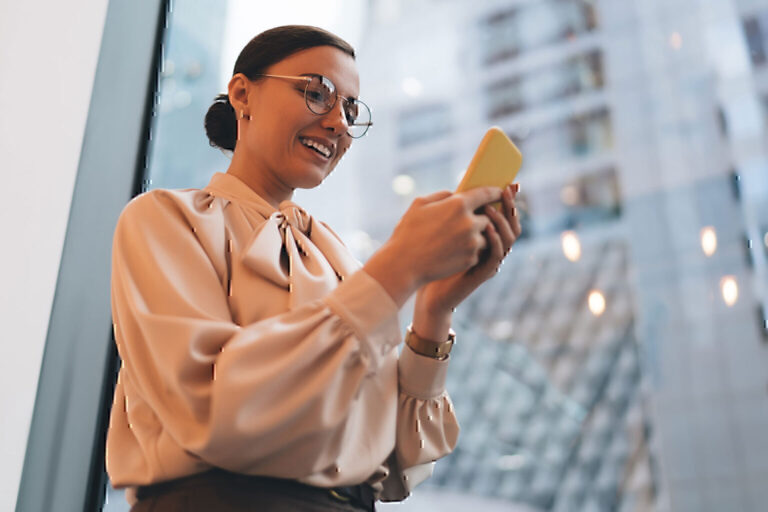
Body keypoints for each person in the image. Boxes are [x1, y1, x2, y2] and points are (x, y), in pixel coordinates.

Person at [105, 25, 522, 512]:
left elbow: (397, 462)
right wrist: (397, 269)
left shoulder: (336, 257)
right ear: (243, 93)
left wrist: (434, 310)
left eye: (349, 109)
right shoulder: (166, 220)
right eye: (317, 93)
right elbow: (214, 411)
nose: (339, 124)